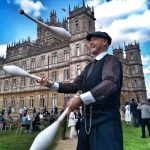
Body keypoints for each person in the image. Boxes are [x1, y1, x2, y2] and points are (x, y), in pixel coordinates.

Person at [37, 31, 123, 150]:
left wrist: (82, 99)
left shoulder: (111, 61)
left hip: (106, 124)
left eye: (95, 39)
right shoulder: (89, 67)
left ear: (105, 42)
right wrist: (50, 84)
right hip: (86, 124)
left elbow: (111, 83)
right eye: (90, 40)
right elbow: (74, 86)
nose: (91, 42)